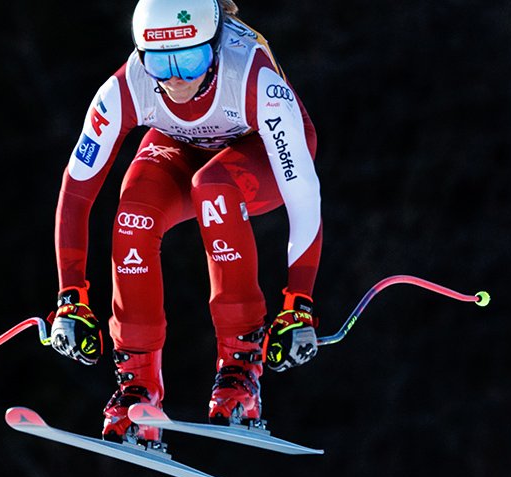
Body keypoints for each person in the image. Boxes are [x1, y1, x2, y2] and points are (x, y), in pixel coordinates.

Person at [47, 0, 323, 450]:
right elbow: (77, 191)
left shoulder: (255, 83)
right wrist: (70, 297)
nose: (175, 77)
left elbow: (303, 195)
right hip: (179, 143)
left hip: (259, 153)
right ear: (140, 56)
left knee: (212, 188)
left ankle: (240, 372)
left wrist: (299, 301)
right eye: (159, 62)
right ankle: (138, 388)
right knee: (133, 215)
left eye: (189, 59)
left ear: (214, 48)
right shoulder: (125, 88)